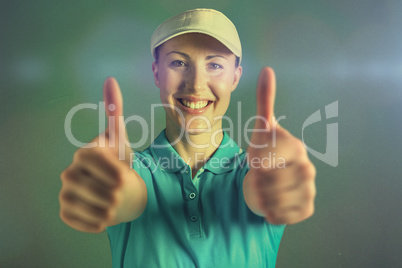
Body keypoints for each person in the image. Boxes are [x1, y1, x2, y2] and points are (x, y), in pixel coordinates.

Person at [59, 8, 316, 267]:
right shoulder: (128, 172)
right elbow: (129, 195)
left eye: (214, 65)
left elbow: (259, 194)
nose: (196, 84)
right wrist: (114, 193)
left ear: (236, 76)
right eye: (179, 63)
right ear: (157, 73)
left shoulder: (258, 174)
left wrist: (278, 185)